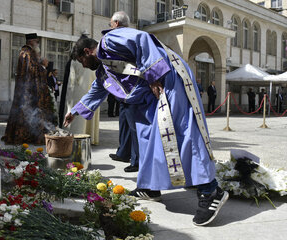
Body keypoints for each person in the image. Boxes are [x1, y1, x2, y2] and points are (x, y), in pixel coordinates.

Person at [64, 11, 228, 226]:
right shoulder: (103, 70)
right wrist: (74, 111)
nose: (83, 66)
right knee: (148, 138)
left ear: (87, 51)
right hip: (150, 97)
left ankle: (210, 190)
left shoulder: (109, 40)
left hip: (168, 80)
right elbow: (96, 92)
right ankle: (150, 187)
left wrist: (154, 75)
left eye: (81, 61)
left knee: (183, 131)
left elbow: (142, 39)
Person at [2, 33, 57, 144]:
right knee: (29, 113)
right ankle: (28, 136)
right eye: (37, 41)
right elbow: (33, 71)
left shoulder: (27, 53)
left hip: (26, 90)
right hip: (29, 92)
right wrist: (44, 67)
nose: (38, 44)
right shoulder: (27, 53)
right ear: (31, 42)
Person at [106, 11, 139, 172]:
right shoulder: (117, 38)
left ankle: (136, 160)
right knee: (124, 124)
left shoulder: (129, 38)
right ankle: (123, 152)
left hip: (134, 89)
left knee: (134, 127)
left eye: (111, 23)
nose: (110, 27)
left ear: (116, 23)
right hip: (123, 92)